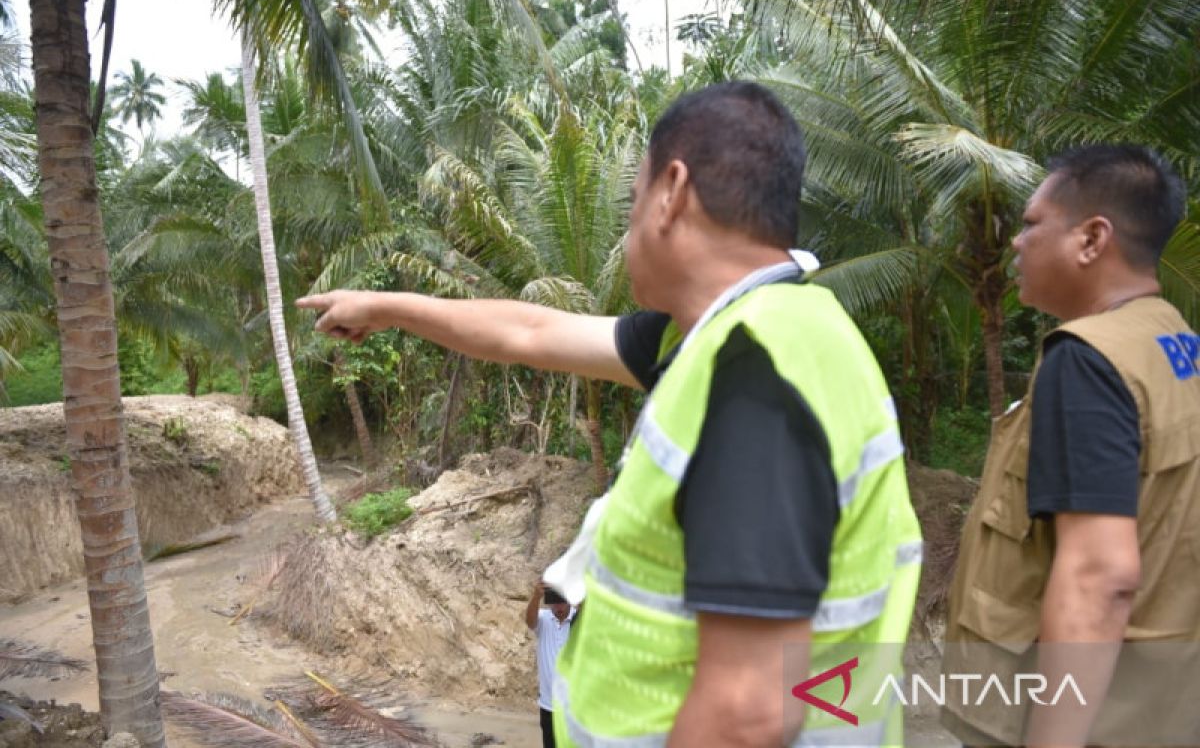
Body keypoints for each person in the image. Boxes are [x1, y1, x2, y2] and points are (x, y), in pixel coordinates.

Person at [297, 81, 922, 745]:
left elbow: (749, 711)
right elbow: (529, 332)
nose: (625, 231)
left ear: (672, 192)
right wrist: (386, 306)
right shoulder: (743, 333)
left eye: (631, 203)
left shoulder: (754, 374)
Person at [941, 144, 1200, 747]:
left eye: (1032, 224)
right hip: (1160, 709)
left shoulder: (1086, 360)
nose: (1015, 242)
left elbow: (1098, 575)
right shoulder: (1176, 342)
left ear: (1092, 239)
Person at [526, 580, 575, 748]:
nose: (558, 607)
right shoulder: (544, 618)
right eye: (554, 601)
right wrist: (536, 596)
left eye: (561, 601)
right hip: (548, 705)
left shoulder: (579, 619)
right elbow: (529, 622)